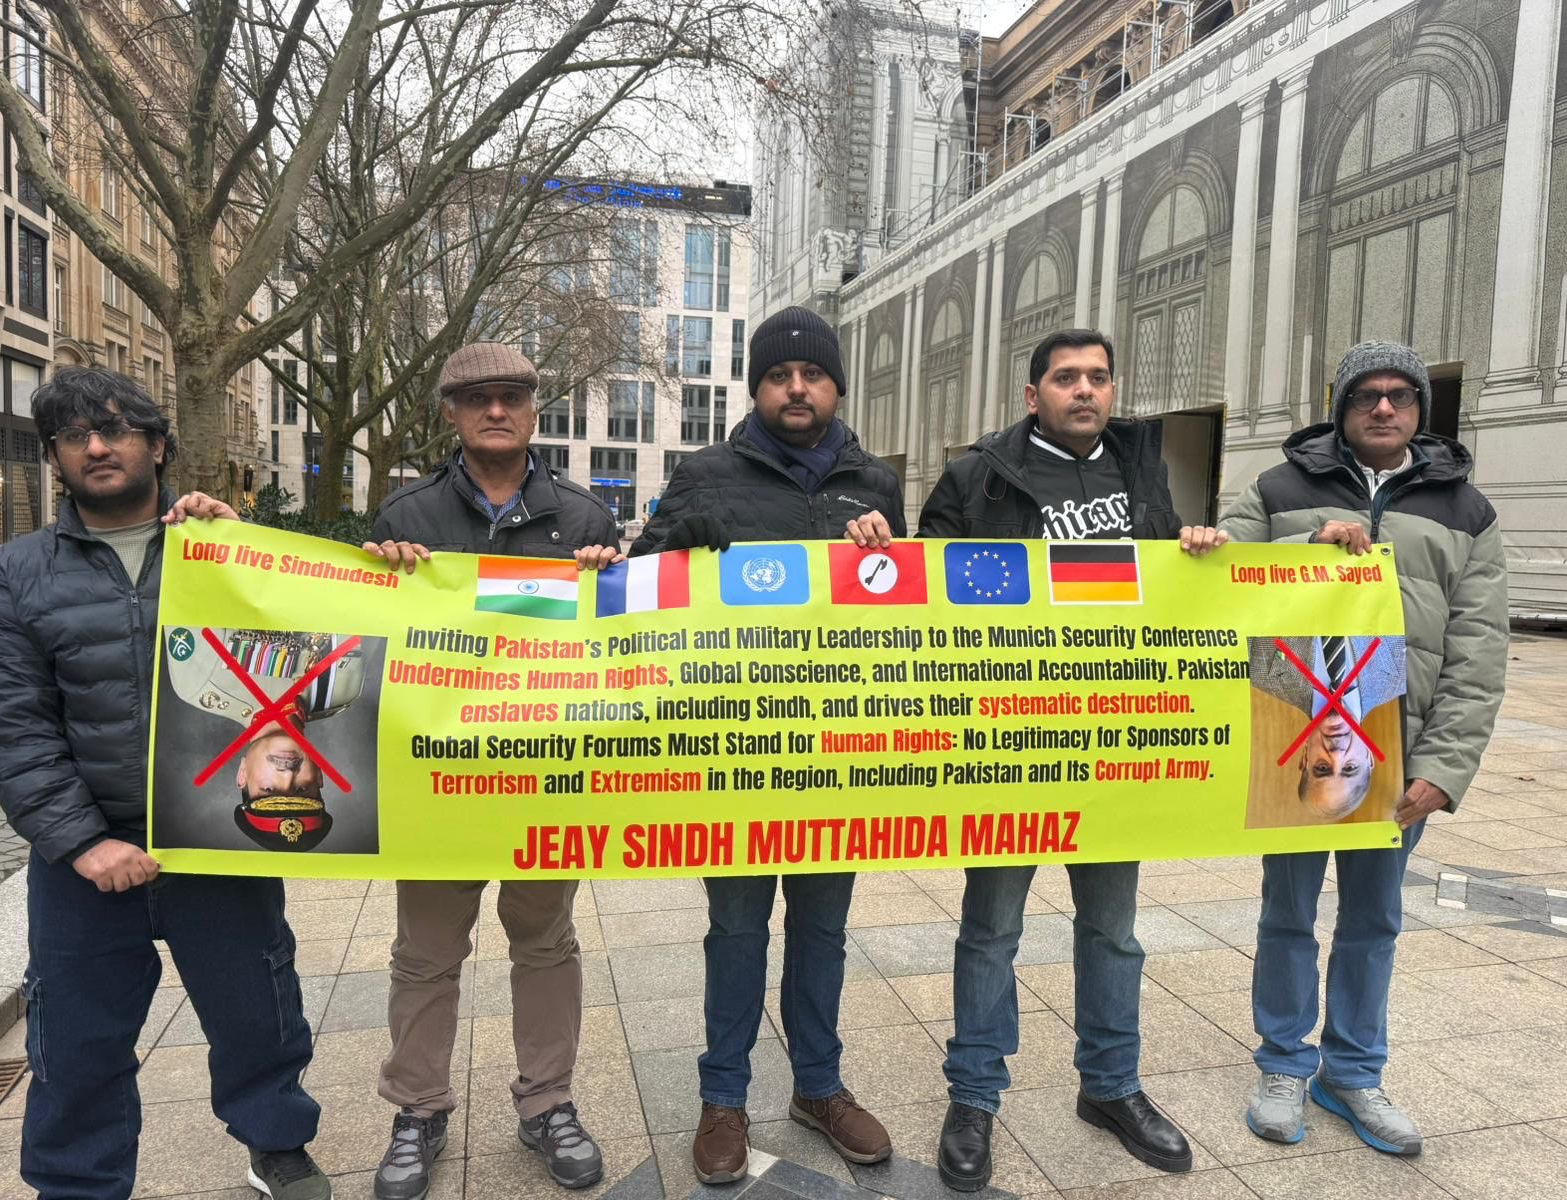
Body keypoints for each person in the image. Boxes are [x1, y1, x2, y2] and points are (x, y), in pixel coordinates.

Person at [0, 366, 330, 1200]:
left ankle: (275, 1141)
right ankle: (76, 1182)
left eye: (117, 430)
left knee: (259, 1011)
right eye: (75, 436)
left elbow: (319, 655)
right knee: (76, 1038)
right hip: (88, 857)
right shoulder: (13, 574)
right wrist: (81, 842)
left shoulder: (225, 554)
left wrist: (252, 551)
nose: (97, 447)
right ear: (60, 460)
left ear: (158, 446)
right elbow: (12, 724)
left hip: (219, 837)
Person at [578, 305, 905, 1185]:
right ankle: (722, 1099)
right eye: (777, 375)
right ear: (757, 387)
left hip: (840, 749)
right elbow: (645, 582)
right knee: (735, 926)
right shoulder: (706, 474)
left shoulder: (874, 483)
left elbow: (906, 611)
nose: (796, 388)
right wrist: (610, 572)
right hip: (737, 752)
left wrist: (887, 558)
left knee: (824, 930)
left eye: (812, 374)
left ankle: (819, 1087)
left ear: (837, 385)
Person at [915, 329, 1224, 1191]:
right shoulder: (977, 475)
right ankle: (974, 1096)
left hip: (1112, 745)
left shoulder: (1141, 467)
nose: (1083, 390)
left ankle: (1112, 1087)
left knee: (1112, 931)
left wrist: (1194, 554)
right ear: (1032, 395)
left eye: (1097, 378)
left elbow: (1165, 588)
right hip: (1011, 742)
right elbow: (925, 600)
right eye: (1065, 379)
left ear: (1112, 390)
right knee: (991, 930)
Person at [1221, 340, 1508, 1155]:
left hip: (1398, 755)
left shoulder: (1467, 511)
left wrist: (1443, 772)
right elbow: (1215, 575)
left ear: (1420, 408)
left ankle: (1351, 1073)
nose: (1384, 408)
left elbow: (1478, 652)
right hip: (1301, 742)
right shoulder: (1280, 488)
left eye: (1401, 395)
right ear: (1341, 408)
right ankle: (1282, 1063)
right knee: (1287, 913)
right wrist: (1295, 554)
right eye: (1367, 395)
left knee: (1373, 920)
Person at [360, 342, 618, 1196]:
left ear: (535, 405)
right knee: (425, 954)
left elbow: (620, 657)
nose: (495, 410)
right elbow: (365, 645)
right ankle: (418, 1109)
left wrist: (611, 584)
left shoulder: (584, 519)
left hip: (545, 779)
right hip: (437, 782)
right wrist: (380, 582)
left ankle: (547, 1103)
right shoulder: (405, 515)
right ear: (450, 414)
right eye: (476, 399)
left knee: (545, 946)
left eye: (511, 395)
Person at [166, 627, 368, 850]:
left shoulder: (198, 683)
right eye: (302, 789)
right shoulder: (343, 691)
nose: (287, 774)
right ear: (320, 774)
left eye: (269, 790)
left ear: (243, 774)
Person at [1247, 635, 1408, 821]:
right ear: (1369, 756)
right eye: (1350, 767)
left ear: (1306, 756)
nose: (1337, 753)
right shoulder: (1404, 669)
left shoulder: (1256, 667)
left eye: (1322, 767)